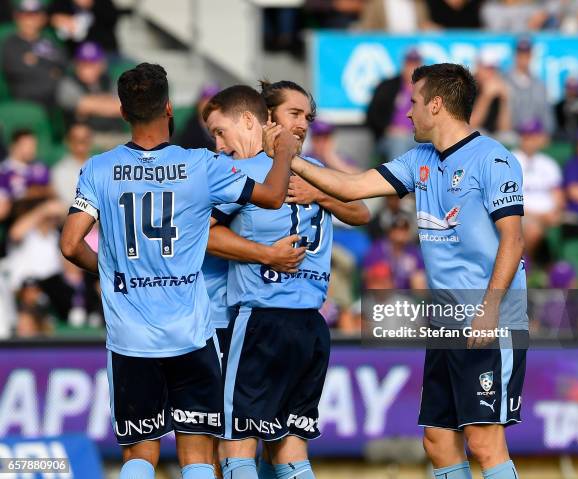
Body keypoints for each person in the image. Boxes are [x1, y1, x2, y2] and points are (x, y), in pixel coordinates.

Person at [60, 63, 298, 479]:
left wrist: (113, 271)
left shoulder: (99, 169)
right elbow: (275, 196)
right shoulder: (201, 165)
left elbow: (69, 244)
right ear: (169, 108)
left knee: (139, 458)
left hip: (130, 338)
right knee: (197, 460)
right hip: (191, 334)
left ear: (121, 112)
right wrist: (282, 152)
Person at [290, 63, 527, 479]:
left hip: (490, 316)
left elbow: (514, 240)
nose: (407, 112)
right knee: (438, 439)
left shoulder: (493, 159)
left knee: (484, 440)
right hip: (447, 318)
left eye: (414, 102)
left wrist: (489, 309)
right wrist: (291, 160)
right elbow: (353, 187)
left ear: (436, 105)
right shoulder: (419, 158)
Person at [203, 83, 369, 479]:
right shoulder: (317, 173)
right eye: (294, 114)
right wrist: (321, 192)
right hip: (309, 326)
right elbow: (360, 211)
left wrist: (318, 194)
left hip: (263, 319)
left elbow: (202, 234)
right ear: (268, 118)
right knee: (289, 450)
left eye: (308, 117)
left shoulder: (253, 173)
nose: (304, 124)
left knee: (236, 443)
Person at [512, 118, 563, 261]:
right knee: (533, 231)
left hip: (549, 216)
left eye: (533, 136)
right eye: (526, 135)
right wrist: (539, 217)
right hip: (521, 216)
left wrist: (555, 212)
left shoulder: (548, 163)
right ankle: (526, 269)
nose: (529, 140)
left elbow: (558, 195)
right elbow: (509, 200)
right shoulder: (511, 159)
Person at [1, 0, 67, 109]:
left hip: (58, 93)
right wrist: (51, 70)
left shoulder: (49, 39)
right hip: (28, 97)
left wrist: (37, 61)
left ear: (42, 18)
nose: (30, 21)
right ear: (17, 18)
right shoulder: (11, 42)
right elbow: (18, 70)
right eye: (25, 16)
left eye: (34, 15)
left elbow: (64, 64)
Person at [366, 48, 422, 162]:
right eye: (410, 63)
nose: (413, 68)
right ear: (404, 65)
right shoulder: (387, 86)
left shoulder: (427, 89)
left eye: (416, 63)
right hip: (390, 138)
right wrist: (387, 128)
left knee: (431, 144)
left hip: (419, 136)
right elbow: (372, 115)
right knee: (399, 141)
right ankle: (396, 179)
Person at [507, 37, 554, 136]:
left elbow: (547, 117)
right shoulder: (504, 81)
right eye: (520, 53)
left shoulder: (539, 85)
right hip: (513, 135)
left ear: (531, 55)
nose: (523, 57)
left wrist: (545, 133)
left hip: (536, 136)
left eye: (527, 54)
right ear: (515, 55)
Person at [52, 122, 93, 207]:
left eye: (85, 138)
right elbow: (68, 202)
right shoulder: (60, 170)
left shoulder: (101, 166)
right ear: (68, 141)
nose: (81, 141)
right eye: (76, 138)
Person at [173, 85, 219, 151]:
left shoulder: (228, 127)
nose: (208, 106)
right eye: (205, 101)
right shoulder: (190, 129)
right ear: (199, 104)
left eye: (213, 102)